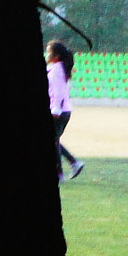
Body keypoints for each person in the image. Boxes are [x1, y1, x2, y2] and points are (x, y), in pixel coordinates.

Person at [49, 39, 82, 181]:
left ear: (56, 56)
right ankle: (74, 163)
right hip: (64, 110)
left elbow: (58, 92)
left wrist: (55, 109)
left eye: (48, 52)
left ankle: (60, 173)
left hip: (58, 111)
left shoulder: (56, 70)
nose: (46, 54)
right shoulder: (60, 69)